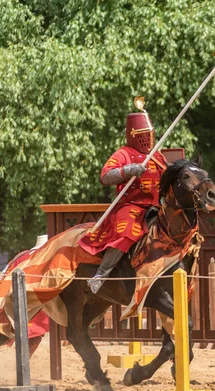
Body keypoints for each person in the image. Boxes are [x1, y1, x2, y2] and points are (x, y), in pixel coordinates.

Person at [79, 102, 167, 293]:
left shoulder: (157, 156)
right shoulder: (124, 153)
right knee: (126, 232)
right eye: (144, 135)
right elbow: (105, 176)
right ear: (134, 135)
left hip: (155, 206)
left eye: (150, 134)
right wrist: (128, 170)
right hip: (131, 206)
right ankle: (101, 275)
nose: (148, 139)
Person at [0, 235, 50, 373]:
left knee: (7, 328)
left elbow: (3, 275)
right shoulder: (45, 257)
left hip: (10, 294)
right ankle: (22, 366)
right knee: (36, 332)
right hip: (33, 299)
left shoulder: (21, 256)